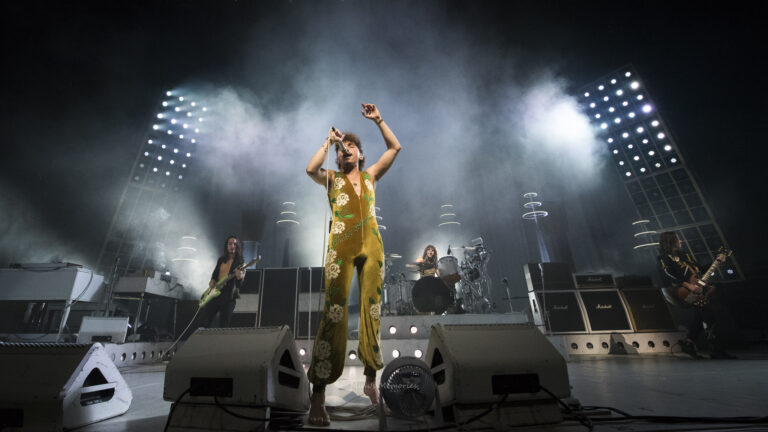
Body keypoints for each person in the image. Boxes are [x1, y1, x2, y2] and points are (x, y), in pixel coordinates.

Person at [305, 103, 401, 426]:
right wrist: (328, 141)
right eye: (341, 150)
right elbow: (309, 169)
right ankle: (318, 393)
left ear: (360, 154)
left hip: (373, 246)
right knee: (334, 312)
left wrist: (378, 120)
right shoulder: (331, 179)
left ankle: (371, 378)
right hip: (341, 248)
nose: (344, 152)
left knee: (372, 309)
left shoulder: (371, 175)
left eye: (350, 148)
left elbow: (394, 147)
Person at [658, 231, 734, 359]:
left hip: (694, 288)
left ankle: (689, 343)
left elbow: (700, 270)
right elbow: (667, 275)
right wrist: (688, 285)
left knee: (702, 313)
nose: (680, 241)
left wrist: (716, 261)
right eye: (678, 239)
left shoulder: (685, 255)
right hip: (680, 291)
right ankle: (716, 349)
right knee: (707, 312)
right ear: (671, 241)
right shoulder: (664, 257)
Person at [199, 235, 245, 328]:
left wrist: (240, 277)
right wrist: (212, 281)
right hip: (216, 293)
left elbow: (239, 284)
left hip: (228, 296)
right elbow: (214, 275)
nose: (232, 246)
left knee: (224, 325)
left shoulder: (240, 262)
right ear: (226, 246)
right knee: (204, 320)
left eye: (235, 244)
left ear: (238, 247)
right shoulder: (221, 260)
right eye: (230, 244)